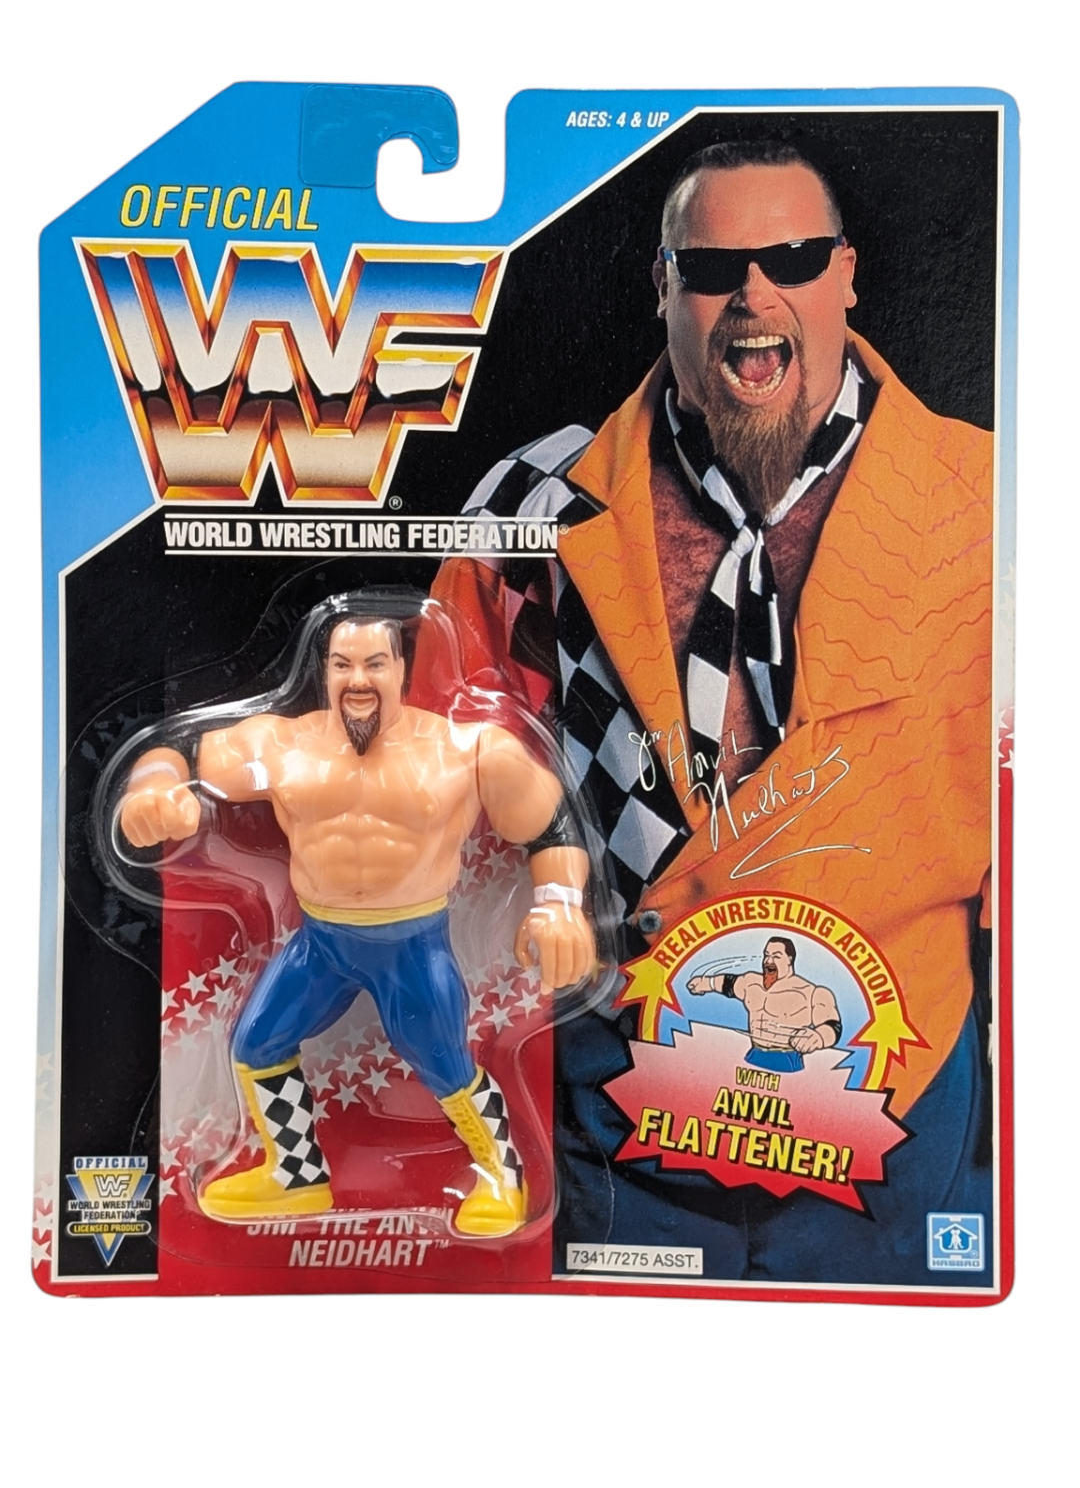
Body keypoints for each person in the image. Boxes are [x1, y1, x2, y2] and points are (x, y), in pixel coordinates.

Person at [427, 140, 994, 1285]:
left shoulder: (992, 501)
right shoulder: (533, 504)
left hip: (900, 1099)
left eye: (793, 258)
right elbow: (435, 773)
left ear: (847, 276)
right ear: (664, 287)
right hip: (618, 1100)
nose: (755, 294)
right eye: (714, 267)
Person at [119, 608, 594, 1236]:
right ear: (324, 672)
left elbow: (551, 824)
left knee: (445, 1062)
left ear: (402, 669)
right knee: (257, 1041)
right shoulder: (284, 746)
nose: (358, 679)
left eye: (374, 663)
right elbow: (177, 750)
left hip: (412, 946)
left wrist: (559, 903)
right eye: (343, 664)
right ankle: (296, 1174)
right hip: (322, 943)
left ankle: (502, 1176)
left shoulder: (466, 750)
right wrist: (152, 790)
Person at [688, 936, 841, 1073]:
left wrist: (818, 1037)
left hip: (787, 1061)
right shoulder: (751, 983)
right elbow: (728, 983)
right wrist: (705, 983)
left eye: (776, 956)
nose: (768, 961)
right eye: (767, 955)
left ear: (789, 959)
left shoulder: (811, 993)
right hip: (753, 1056)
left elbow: (833, 1025)